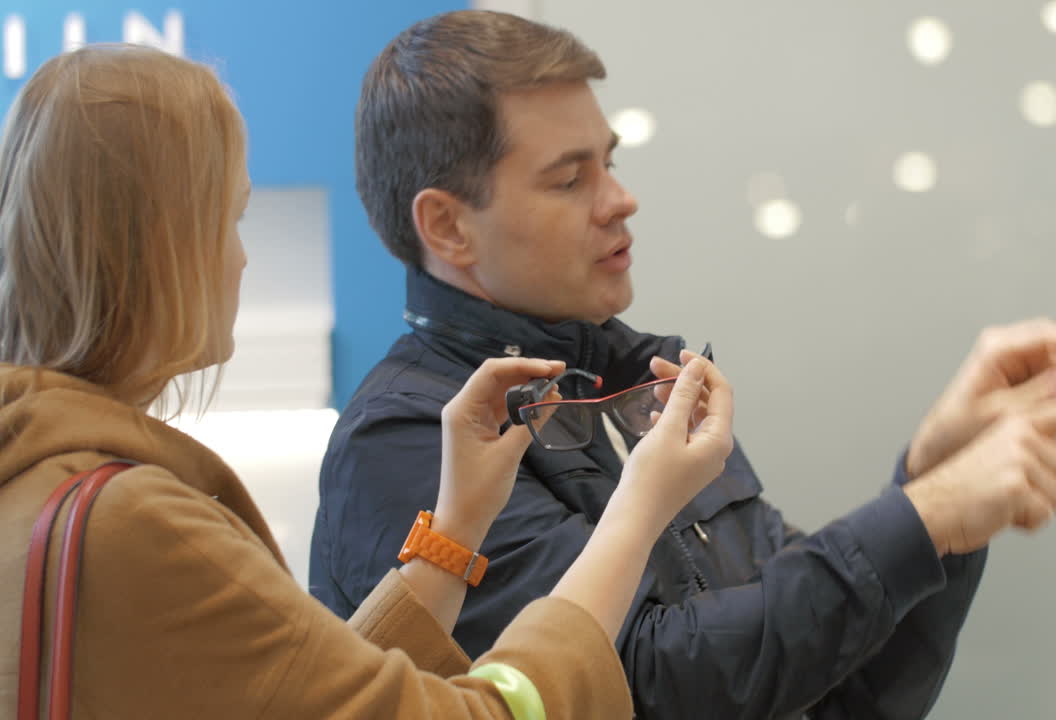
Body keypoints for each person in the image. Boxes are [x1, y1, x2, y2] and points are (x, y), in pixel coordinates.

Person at [310, 10, 1056, 720]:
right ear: (448, 227)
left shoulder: (641, 379)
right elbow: (639, 688)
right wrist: (923, 515)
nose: (619, 199)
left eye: (610, 161)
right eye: (569, 178)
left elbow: (836, 690)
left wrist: (934, 488)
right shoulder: (408, 441)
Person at [0, 44, 736, 719]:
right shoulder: (137, 524)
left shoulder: (33, 478)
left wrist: (452, 533)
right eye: (231, 220)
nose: (242, 262)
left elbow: (318, 693)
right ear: (160, 247)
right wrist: (639, 509)